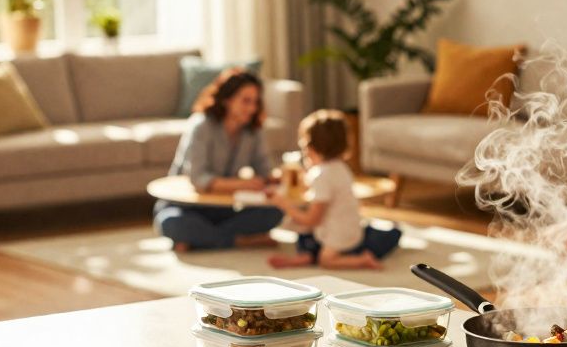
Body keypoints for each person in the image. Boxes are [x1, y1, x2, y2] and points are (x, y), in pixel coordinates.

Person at [154, 72, 283, 251]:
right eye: (246, 101)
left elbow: (264, 168)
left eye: (255, 102)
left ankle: (201, 240)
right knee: (170, 222)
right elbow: (198, 179)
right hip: (188, 206)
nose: (252, 108)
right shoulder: (201, 126)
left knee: (275, 211)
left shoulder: (253, 130)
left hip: (224, 206)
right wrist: (242, 184)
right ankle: (240, 241)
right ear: (227, 100)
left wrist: (277, 178)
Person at [267, 109, 402, 270]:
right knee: (306, 232)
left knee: (326, 260)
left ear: (310, 147)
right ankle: (308, 255)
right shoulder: (340, 168)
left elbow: (312, 220)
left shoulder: (321, 175)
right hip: (350, 225)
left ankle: (362, 260)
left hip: (339, 233)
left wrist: (284, 205)